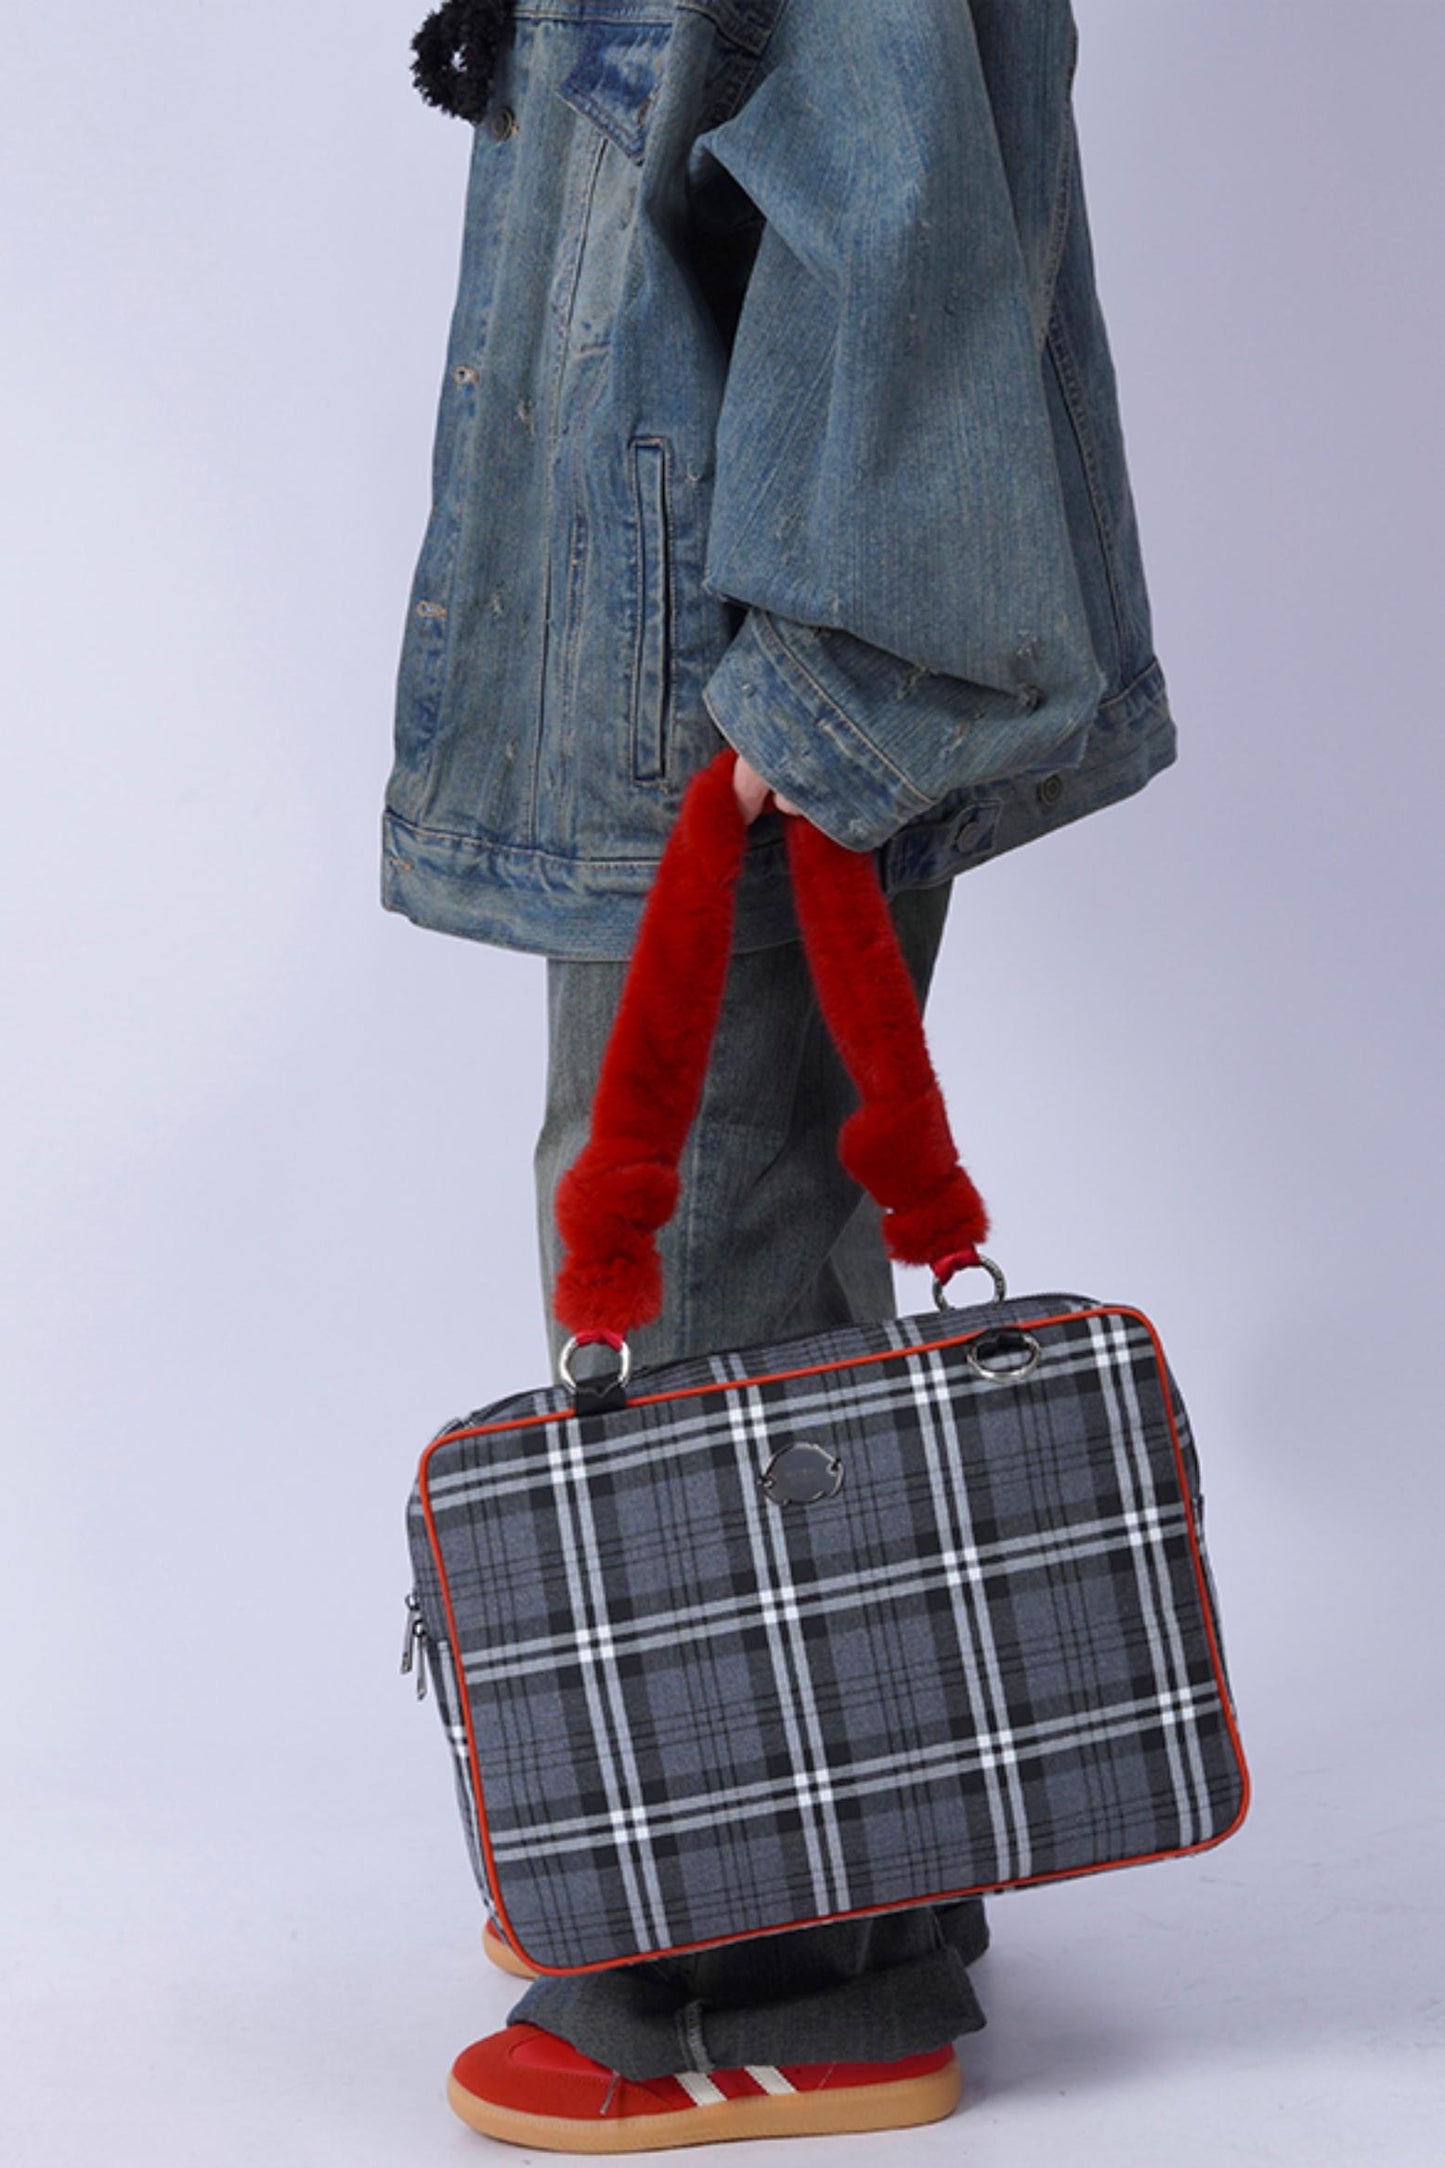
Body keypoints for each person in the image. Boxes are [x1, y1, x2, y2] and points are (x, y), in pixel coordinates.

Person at [388, 0, 1180, 2146]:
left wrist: (818, 701)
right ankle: (825, 1855)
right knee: (715, 1228)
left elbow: (896, 232)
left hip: (742, 691)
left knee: (709, 1273)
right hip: (703, 665)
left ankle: (782, 1981)